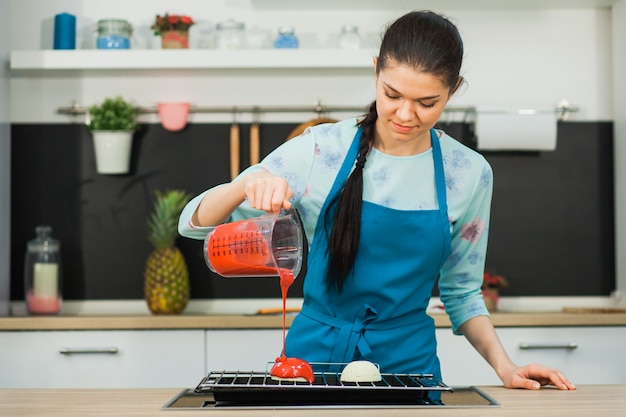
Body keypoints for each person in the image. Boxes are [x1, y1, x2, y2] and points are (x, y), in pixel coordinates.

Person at [179, 10, 575, 391]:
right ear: (375, 71)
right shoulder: (321, 150)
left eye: (427, 102)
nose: (406, 114)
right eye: (392, 94)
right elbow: (192, 225)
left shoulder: (468, 174)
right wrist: (245, 184)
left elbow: (463, 293)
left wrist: (506, 369)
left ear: (452, 91)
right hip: (310, 368)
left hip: (408, 373)